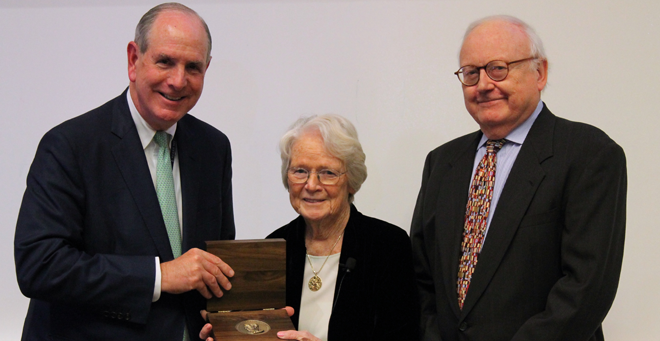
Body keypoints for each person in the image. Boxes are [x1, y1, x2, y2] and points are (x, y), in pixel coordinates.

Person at [14, 3, 235, 340]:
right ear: (134, 60)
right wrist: (159, 277)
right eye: (165, 62)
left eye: (193, 67)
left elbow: (214, 261)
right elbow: (40, 265)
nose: (178, 81)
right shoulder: (70, 146)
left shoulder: (213, 148)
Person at [410, 15, 627, 341]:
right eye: (471, 73)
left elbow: (586, 289)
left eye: (498, 68)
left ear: (539, 73)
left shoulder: (588, 155)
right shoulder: (441, 163)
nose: (483, 85)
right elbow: (422, 280)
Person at [200, 114, 419, 341]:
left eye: (328, 173)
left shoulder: (388, 246)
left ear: (351, 180)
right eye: (300, 171)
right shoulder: (274, 248)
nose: (311, 185)